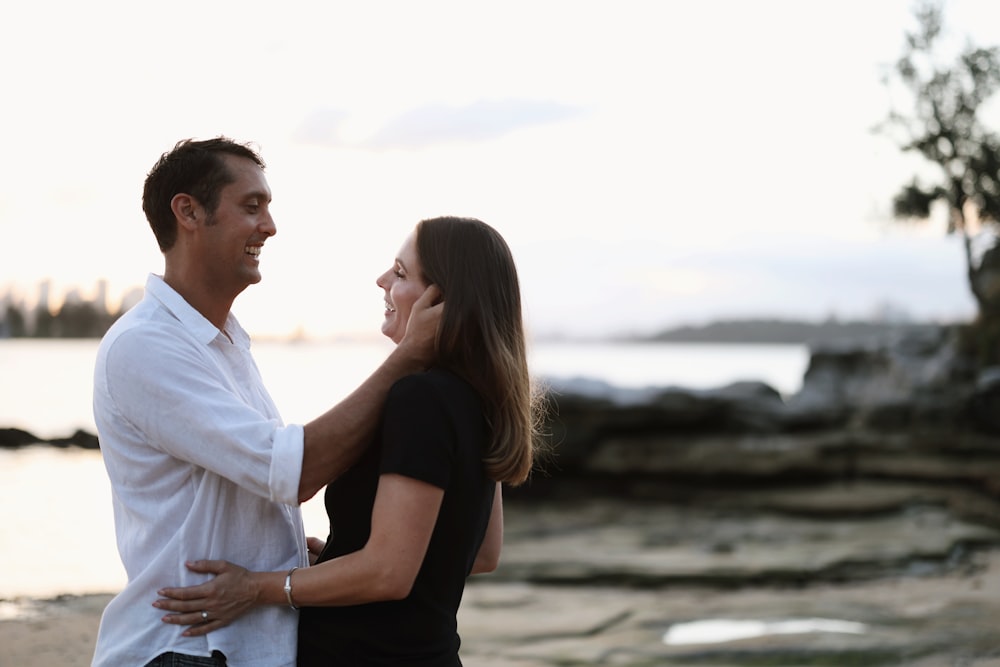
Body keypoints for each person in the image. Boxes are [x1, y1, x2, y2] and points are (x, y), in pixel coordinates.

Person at [91, 137, 441, 667]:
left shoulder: (224, 342)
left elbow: (255, 482)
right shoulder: (145, 345)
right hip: (187, 649)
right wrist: (408, 357)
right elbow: (292, 473)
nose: (270, 226)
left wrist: (293, 555)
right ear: (187, 211)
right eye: (251, 206)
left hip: (239, 648)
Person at [153, 216, 546, 666]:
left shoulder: (421, 398)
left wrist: (258, 587)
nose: (381, 281)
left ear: (440, 301)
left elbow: (387, 572)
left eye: (399, 273)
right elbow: (481, 553)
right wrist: (343, 558)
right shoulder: (479, 396)